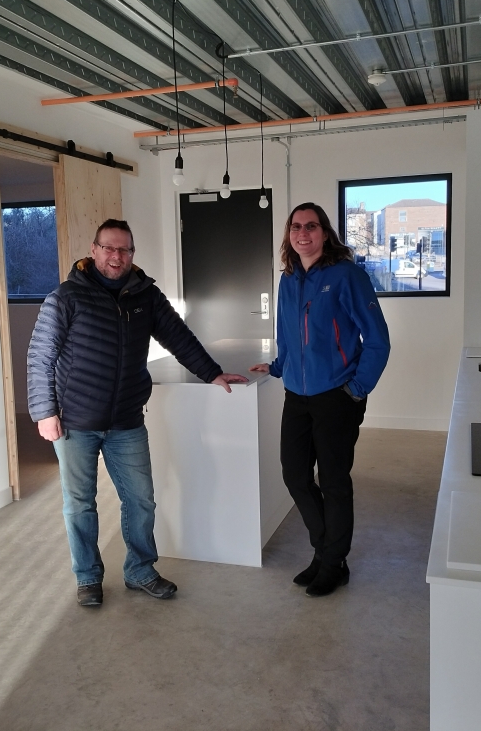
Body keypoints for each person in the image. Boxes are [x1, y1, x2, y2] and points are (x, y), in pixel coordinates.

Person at [28, 219, 248, 607]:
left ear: (132, 254)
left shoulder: (145, 295)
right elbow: (40, 358)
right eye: (109, 248)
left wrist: (211, 372)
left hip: (127, 420)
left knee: (142, 499)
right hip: (74, 422)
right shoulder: (65, 298)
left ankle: (139, 570)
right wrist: (45, 412)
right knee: (80, 504)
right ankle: (88, 577)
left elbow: (178, 336)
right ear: (94, 250)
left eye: (124, 250)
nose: (116, 256)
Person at [250, 203, 390, 597]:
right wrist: (279, 366)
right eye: (296, 227)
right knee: (295, 475)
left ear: (325, 233)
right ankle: (325, 551)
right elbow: (288, 332)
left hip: (338, 396)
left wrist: (357, 389)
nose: (302, 233)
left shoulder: (347, 276)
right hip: (297, 394)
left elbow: (378, 339)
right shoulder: (289, 279)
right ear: (289, 235)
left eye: (311, 226)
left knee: (333, 482)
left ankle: (333, 562)